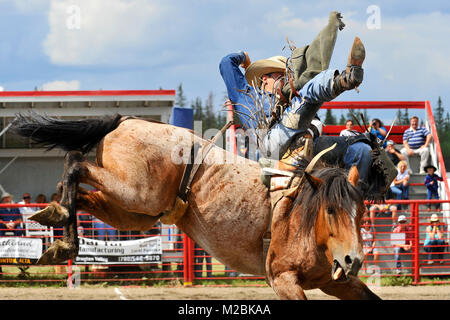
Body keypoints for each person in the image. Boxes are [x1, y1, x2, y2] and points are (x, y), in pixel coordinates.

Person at [220, 12, 371, 185]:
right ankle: (343, 80)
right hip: (270, 144)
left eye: (287, 75)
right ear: (264, 77)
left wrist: (310, 132)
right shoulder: (247, 95)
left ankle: (354, 194)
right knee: (307, 96)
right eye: (281, 75)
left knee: (361, 149)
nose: (286, 79)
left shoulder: (289, 98)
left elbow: (316, 123)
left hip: (301, 144)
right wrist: (243, 56)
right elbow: (226, 63)